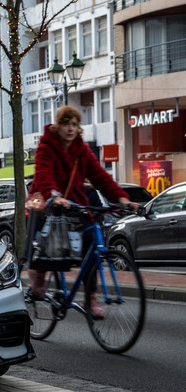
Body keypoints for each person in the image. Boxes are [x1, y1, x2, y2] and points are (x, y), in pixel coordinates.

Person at [27, 106, 139, 318]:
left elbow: (100, 176)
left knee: (91, 241)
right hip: (49, 201)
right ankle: (38, 274)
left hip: (75, 205)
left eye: (74, 124)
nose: (70, 128)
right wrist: (54, 195)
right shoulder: (46, 147)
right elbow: (43, 173)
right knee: (48, 238)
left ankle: (90, 297)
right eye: (66, 124)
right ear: (58, 126)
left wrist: (122, 198)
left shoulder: (81, 151)